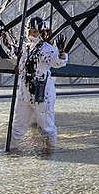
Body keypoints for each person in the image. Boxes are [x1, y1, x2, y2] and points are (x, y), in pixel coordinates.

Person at [10, 18, 68, 147]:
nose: (32, 34)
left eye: (35, 32)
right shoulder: (25, 47)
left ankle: (50, 153)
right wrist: (10, 43)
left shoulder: (45, 48)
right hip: (25, 93)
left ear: (40, 32)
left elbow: (56, 62)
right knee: (17, 126)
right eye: (29, 31)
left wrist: (61, 53)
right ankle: (11, 152)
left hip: (41, 93)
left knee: (46, 126)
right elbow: (16, 59)